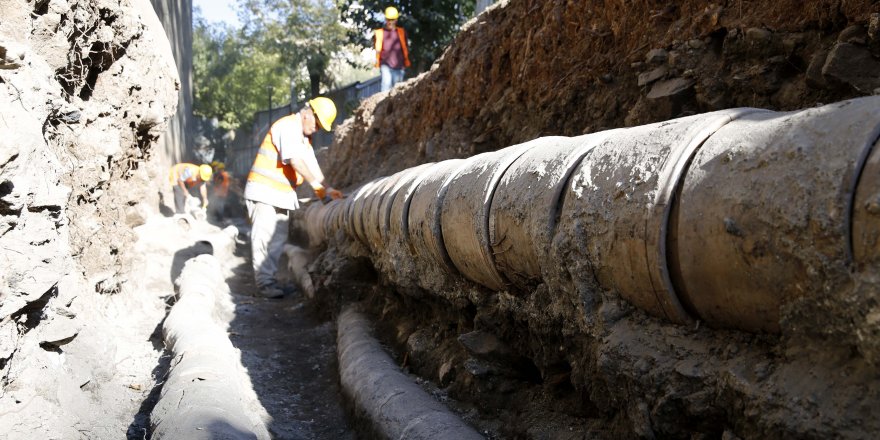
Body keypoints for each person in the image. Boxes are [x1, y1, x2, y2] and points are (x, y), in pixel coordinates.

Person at [243, 97, 344, 298]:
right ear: (308, 112)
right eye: (316, 123)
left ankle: (269, 280)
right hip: (264, 191)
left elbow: (311, 165)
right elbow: (296, 161)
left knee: (277, 240)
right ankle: (265, 284)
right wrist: (317, 187)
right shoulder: (288, 126)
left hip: (279, 195)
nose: (316, 129)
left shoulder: (304, 138)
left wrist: (327, 188)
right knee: (263, 238)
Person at [373, 6, 411, 92]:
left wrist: (405, 61)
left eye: (392, 19)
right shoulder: (379, 33)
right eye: (388, 19)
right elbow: (377, 48)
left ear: (396, 20)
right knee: (386, 85)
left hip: (399, 65)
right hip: (385, 64)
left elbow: (405, 47)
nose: (390, 22)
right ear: (386, 19)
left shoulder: (401, 32)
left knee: (397, 90)